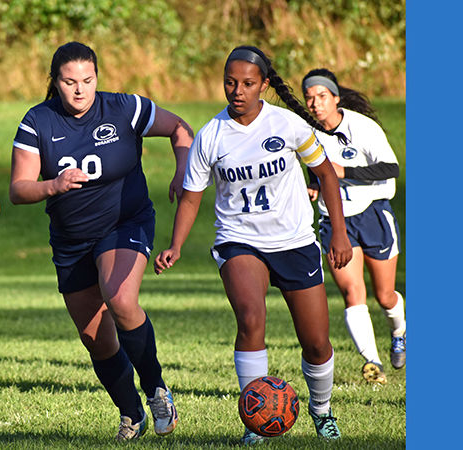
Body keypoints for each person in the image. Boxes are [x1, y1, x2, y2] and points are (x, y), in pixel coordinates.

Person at [153, 45, 353, 444]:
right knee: (250, 319)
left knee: (315, 342)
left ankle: (321, 410)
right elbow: (192, 196)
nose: (238, 90)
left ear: (264, 85)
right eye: (231, 82)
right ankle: (255, 421)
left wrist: (341, 232)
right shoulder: (211, 135)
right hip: (239, 241)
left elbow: (327, 177)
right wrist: (175, 245)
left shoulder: (289, 125)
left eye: (247, 83)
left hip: (295, 241)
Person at [9, 41, 192, 441]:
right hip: (72, 240)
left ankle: (157, 390)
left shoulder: (124, 108)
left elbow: (180, 128)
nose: (79, 90)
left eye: (88, 81)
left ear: (98, 78)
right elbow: (19, 189)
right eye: (69, 82)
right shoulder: (38, 121)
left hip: (125, 223)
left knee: (120, 299)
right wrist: (52, 185)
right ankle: (132, 413)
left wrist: (183, 170)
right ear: (55, 82)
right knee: (96, 337)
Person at [302, 68, 405, 384]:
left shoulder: (363, 128)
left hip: (372, 212)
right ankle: (373, 364)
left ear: (336, 98)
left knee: (384, 295)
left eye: (322, 97)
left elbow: (391, 168)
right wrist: (315, 187)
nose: (316, 104)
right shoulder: (308, 133)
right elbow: (313, 167)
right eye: (310, 98)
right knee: (352, 291)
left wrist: (343, 171)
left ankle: (399, 330)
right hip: (335, 221)